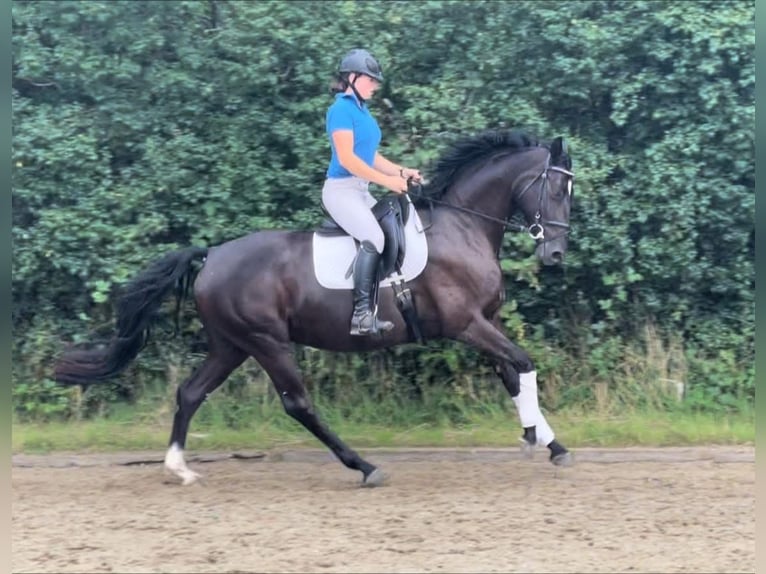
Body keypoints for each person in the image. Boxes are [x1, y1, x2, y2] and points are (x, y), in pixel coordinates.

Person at [322, 48, 422, 337]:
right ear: (352, 78)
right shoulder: (340, 110)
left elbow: (370, 156)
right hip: (341, 191)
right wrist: (386, 182)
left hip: (360, 190)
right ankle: (361, 316)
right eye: (370, 80)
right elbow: (347, 160)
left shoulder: (361, 112)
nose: (375, 86)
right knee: (375, 237)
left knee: (392, 232)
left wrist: (401, 172)